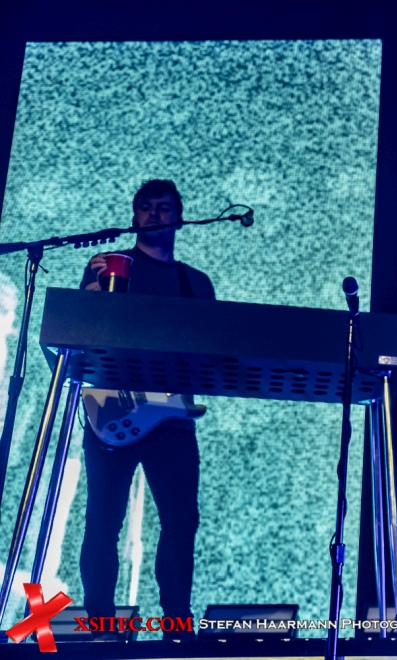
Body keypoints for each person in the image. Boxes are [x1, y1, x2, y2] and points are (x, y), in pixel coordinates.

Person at [79, 179, 214, 639]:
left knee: (181, 521)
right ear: (134, 216)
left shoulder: (196, 283)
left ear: (179, 217)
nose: (154, 213)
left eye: (164, 207)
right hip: (111, 409)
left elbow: (210, 350)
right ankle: (100, 625)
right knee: (103, 521)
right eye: (145, 207)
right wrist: (94, 287)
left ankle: (176, 625)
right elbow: (84, 330)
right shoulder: (109, 266)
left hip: (171, 416)